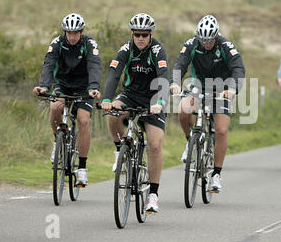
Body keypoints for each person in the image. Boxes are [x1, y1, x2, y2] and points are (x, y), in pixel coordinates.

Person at [101, 13, 169, 214]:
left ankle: (153, 195)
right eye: (137, 34)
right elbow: (114, 74)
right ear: (132, 34)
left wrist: (161, 102)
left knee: (155, 144)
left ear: (150, 34)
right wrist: (106, 99)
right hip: (130, 95)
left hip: (153, 99)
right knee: (113, 113)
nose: (140, 38)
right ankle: (119, 151)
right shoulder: (125, 50)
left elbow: (164, 77)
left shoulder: (157, 51)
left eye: (144, 35)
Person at [170, 15, 245, 193]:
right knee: (183, 109)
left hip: (222, 88)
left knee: (221, 130)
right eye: (203, 40)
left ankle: (216, 174)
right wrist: (174, 82)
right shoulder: (191, 44)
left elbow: (238, 69)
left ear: (216, 35)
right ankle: (190, 141)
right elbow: (180, 64)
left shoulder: (226, 46)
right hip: (198, 84)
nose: (206, 44)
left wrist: (233, 89)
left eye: (210, 40)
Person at [33, 13, 102, 187]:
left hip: (85, 88)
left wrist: (94, 87)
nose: (72, 36)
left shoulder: (89, 44)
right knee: (55, 106)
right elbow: (49, 65)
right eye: (69, 33)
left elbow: (95, 65)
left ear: (81, 32)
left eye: (76, 33)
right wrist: (44, 87)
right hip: (62, 84)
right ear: (64, 32)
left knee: (83, 120)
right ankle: (58, 142)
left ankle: (82, 169)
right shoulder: (57, 43)